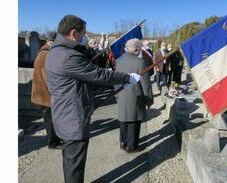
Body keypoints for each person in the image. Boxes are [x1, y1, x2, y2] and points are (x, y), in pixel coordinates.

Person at [45, 15, 141, 183]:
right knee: (75, 164)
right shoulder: (68, 56)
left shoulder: (56, 51)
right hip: (72, 117)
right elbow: (99, 75)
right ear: (74, 33)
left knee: (70, 160)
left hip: (64, 113)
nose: (84, 37)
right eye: (82, 34)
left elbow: (80, 77)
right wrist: (127, 78)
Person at [116, 38, 153, 153]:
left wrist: (116, 94)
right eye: (140, 48)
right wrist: (149, 99)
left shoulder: (118, 60)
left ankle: (123, 142)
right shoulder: (140, 62)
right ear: (137, 49)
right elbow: (145, 83)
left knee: (124, 119)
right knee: (134, 120)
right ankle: (132, 146)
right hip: (135, 95)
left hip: (121, 93)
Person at [31, 32, 63, 149]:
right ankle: (52, 143)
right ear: (51, 42)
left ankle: (55, 139)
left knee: (51, 118)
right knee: (50, 119)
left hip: (43, 92)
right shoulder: (45, 54)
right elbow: (48, 77)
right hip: (44, 93)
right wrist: (55, 92)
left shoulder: (45, 52)